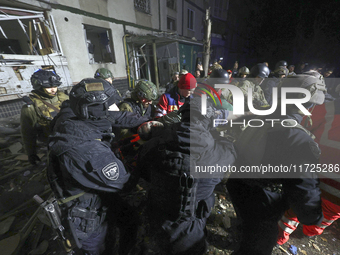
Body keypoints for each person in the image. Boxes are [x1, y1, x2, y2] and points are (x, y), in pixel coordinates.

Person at [226, 73, 325, 255]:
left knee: (247, 230)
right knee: (258, 246)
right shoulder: (298, 139)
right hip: (263, 202)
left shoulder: (259, 114)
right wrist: (314, 217)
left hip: (238, 187)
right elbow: (303, 191)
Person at [48, 78, 148, 255]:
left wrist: (149, 121)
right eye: (111, 105)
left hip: (94, 191)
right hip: (86, 214)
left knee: (130, 219)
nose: (116, 108)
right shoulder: (89, 151)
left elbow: (118, 116)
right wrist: (144, 156)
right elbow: (125, 183)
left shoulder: (73, 112)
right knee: (101, 249)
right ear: (98, 111)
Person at [137, 96, 236, 255]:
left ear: (182, 114)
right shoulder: (221, 153)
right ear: (209, 119)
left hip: (156, 218)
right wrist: (217, 138)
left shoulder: (153, 145)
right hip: (190, 228)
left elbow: (144, 172)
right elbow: (228, 162)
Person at [277, 97, 340, 246]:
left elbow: (306, 124)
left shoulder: (332, 107)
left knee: (297, 205)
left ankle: (280, 234)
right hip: (337, 195)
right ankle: (308, 231)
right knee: (326, 216)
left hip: (317, 173)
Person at [20, 69, 69, 165]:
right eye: (49, 87)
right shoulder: (31, 107)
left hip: (72, 137)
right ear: (39, 86)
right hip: (53, 143)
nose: (53, 89)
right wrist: (31, 153)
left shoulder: (65, 98)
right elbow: (28, 132)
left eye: (55, 86)